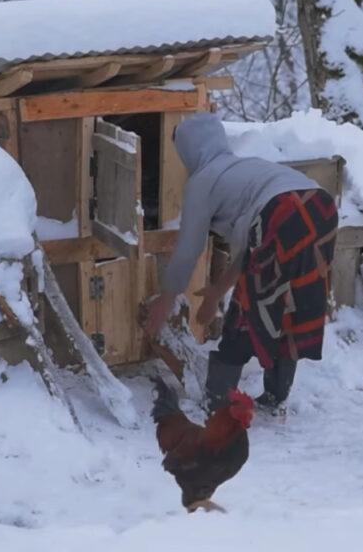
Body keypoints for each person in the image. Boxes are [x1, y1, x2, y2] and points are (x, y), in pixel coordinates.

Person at [144, 112, 337, 412]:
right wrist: (216, 292)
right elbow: (253, 250)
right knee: (292, 301)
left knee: (248, 309)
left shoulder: (202, 180)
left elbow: (188, 250)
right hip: (320, 206)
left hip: (281, 211)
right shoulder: (249, 167)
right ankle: (275, 394)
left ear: (189, 150)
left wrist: (166, 298)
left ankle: (218, 401)